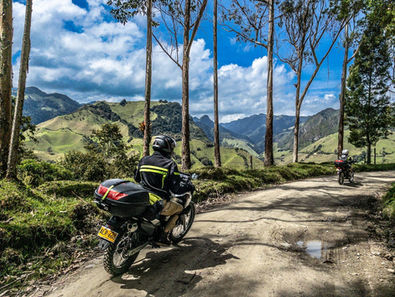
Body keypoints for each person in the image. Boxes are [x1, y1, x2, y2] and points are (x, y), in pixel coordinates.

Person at [134, 135, 193, 243]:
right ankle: (164, 235)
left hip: (142, 197)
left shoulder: (144, 160)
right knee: (180, 209)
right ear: (168, 148)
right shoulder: (170, 164)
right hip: (159, 201)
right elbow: (175, 188)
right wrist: (188, 186)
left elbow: (137, 178)